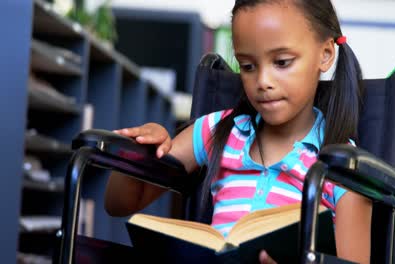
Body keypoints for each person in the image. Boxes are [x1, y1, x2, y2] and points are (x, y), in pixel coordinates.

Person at [105, 0, 372, 263]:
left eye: (281, 62)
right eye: (247, 66)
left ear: (325, 55)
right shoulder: (218, 131)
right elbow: (119, 204)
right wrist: (140, 150)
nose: (263, 82)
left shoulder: (342, 167)